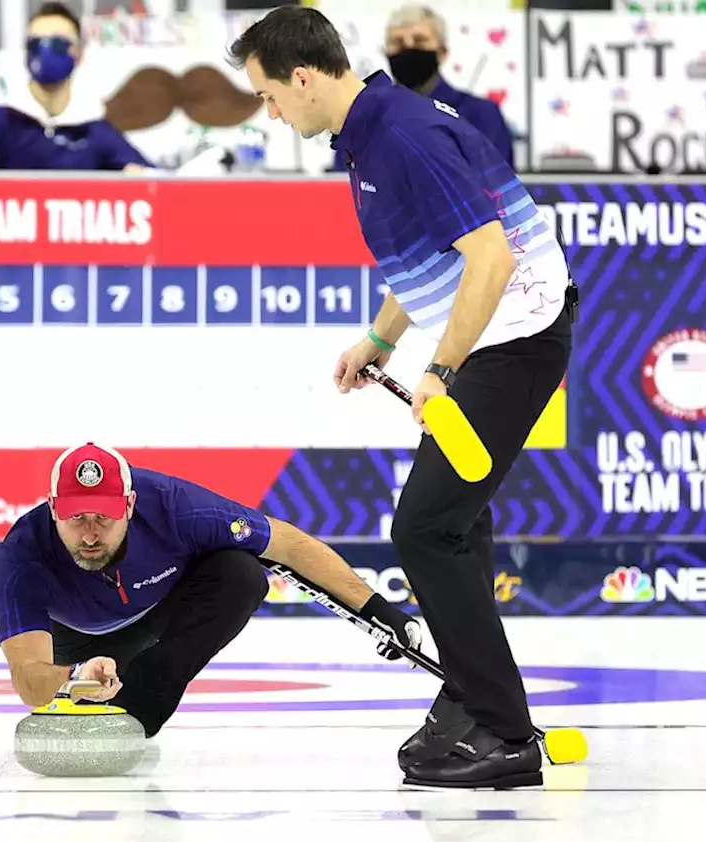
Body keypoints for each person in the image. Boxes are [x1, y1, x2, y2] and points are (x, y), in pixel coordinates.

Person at [229, 7, 575, 790]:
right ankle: (470, 699)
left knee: (426, 527)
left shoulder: (402, 135)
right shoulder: (367, 129)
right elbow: (424, 255)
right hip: (492, 333)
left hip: (514, 337)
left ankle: (507, 731)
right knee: (454, 524)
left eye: (269, 96)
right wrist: (382, 340)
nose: (271, 112)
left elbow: (489, 255)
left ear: (305, 78)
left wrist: (441, 369)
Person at [0, 442, 423, 738]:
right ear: (52, 509)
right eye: (76, 517)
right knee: (66, 690)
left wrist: (382, 613)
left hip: (165, 609)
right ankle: (108, 689)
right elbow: (28, 681)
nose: (89, 534)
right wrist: (73, 676)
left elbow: (289, 544)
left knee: (241, 571)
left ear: (129, 504)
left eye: (103, 517)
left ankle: (144, 702)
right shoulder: (22, 556)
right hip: (83, 646)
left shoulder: (177, 508)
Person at [0, 2, 152, 172]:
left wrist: (137, 176)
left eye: (58, 45)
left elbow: (154, 180)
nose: (45, 52)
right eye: (35, 44)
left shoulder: (94, 131)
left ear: (79, 54)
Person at [381, 4, 514, 167]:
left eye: (420, 41)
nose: (408, 47)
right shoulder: (368, 119)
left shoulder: (482, 116)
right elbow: (343, 183)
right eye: (398, 42)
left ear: (442, 52)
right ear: (386, 52)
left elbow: (499, 183)